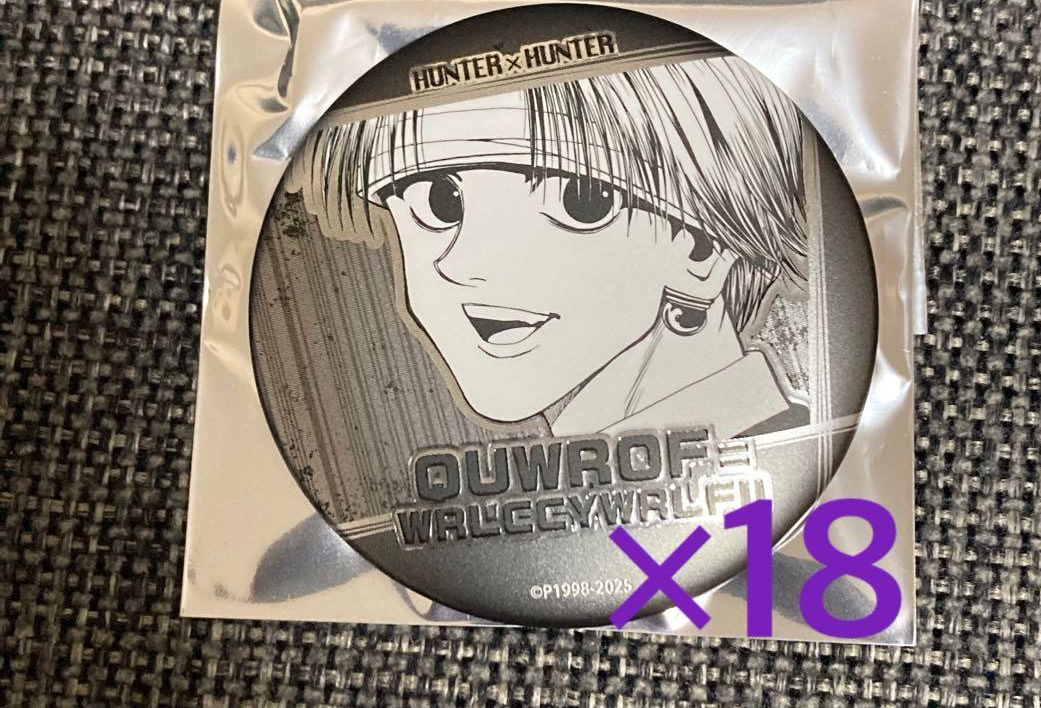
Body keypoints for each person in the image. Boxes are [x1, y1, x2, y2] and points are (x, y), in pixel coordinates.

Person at [300, 54, 811, 440]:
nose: (461, 263)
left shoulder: (805, 476)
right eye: (440, 202)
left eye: (581, 201)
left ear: (704, 249)